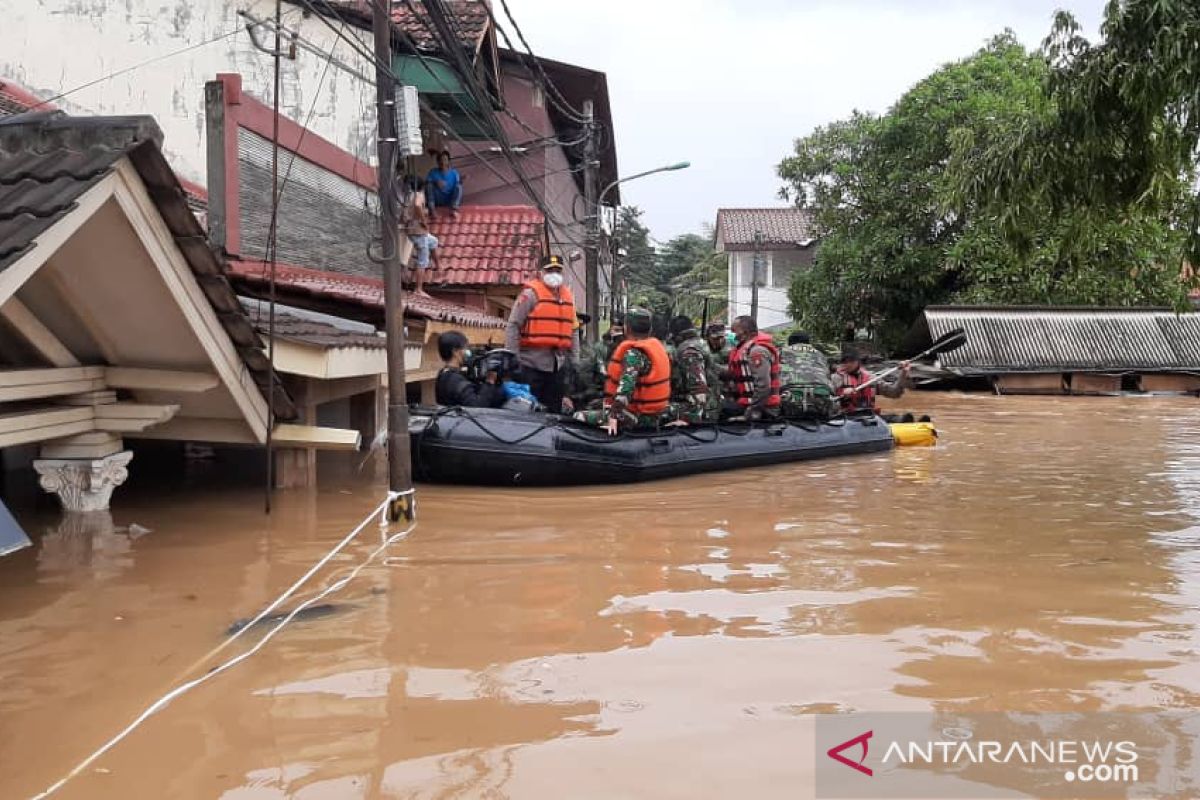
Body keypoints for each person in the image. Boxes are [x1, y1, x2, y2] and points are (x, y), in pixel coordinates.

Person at [574, 307, 671, 434]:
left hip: (639, 416)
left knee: (578, 416)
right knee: (594, 404)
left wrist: (614, 415)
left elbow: (626, 389)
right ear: (650, 329)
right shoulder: (658, 349)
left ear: (627, 328)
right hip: (655, 412)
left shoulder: (633, 354)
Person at [505, 255, 579, 413]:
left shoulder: (568, 298)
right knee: (529, 411)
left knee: (554, 411)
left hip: (557, 366)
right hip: (530, 365)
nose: (554, 273)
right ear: (540, 272)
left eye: (558, 270)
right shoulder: (530, 295)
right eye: (550, 270)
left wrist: (575, 360)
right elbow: (513, 326)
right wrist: (513, 359)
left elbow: (573, 330)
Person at [723, 315, 781, 421]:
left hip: (763, 408)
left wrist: (751, 412)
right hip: (748, 403)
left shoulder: (757, 351)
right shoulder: (745, 348)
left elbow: (763, 386)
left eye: (735, 331)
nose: (733, 335)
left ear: (745, 332)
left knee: (719, 411)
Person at [667, 315, 721, 424]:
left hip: (699, 411)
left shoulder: (688, 350)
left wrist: (689, 419)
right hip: (710, 404)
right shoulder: (700, 342)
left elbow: (699, 391)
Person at [434, 331, 505, 408]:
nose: (468, 352)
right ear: (455, 352)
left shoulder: (443, 373)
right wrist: (489, 381)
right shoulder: (455, 380)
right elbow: (477, 406)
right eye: (465, 348)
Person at [832, 347, 910, 413]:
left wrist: (904, 373)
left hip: (868, 419)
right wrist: (842, 393)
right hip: (845, 420)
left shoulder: (871, 378)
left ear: (858, 361)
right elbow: (826, 403)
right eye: (845, 361)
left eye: (851, 361)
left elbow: (895, 393)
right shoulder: (835, 379)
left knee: (899, 418)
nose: (848, 364)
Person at [779, 331, 835, 418]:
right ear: (808, 342)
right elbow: (828, 375)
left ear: (790, 342)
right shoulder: (820, 354)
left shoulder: (782, 352)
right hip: (822, 397)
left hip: (790, 397)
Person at [405, 178, 438, 296]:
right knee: (423, 261)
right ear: (422, 187)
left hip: (414, 231)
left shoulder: (408, 196)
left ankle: (438, 266)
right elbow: (418, 205)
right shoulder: (419, 195)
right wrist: (423, 221)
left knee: (433, 241)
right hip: (418, 232)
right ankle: (418, 289)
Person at [425, 150, 462, 219]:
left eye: (445, 160)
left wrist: (462, 180)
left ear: (448, 161)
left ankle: (454, 209)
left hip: (449, 200)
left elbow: (457, 187)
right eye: (440, 160)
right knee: (429, 186)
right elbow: (426, 184)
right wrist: (436, 182)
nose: (442, 162)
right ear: (437, 162)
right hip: (437, 199)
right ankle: (432, 211)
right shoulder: (433, 172)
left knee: (459, 187)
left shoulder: (454, 173)